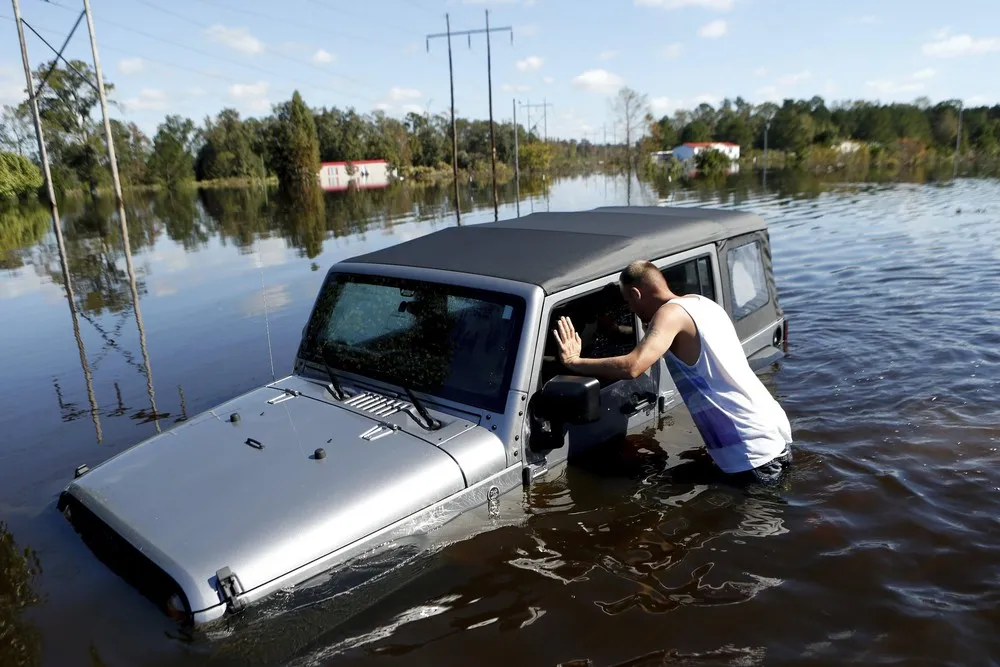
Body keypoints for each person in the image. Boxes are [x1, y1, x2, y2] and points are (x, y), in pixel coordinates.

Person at [552, 260, 794, 487]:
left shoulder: (669, 315)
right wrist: (614, 329)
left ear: (636, 294)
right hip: (769, 428)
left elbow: (632, 366)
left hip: (750, 450)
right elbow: (658, 338)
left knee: (755, 527)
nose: (630, 309)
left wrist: (575, 361)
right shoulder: (700, 303)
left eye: (628, 302)